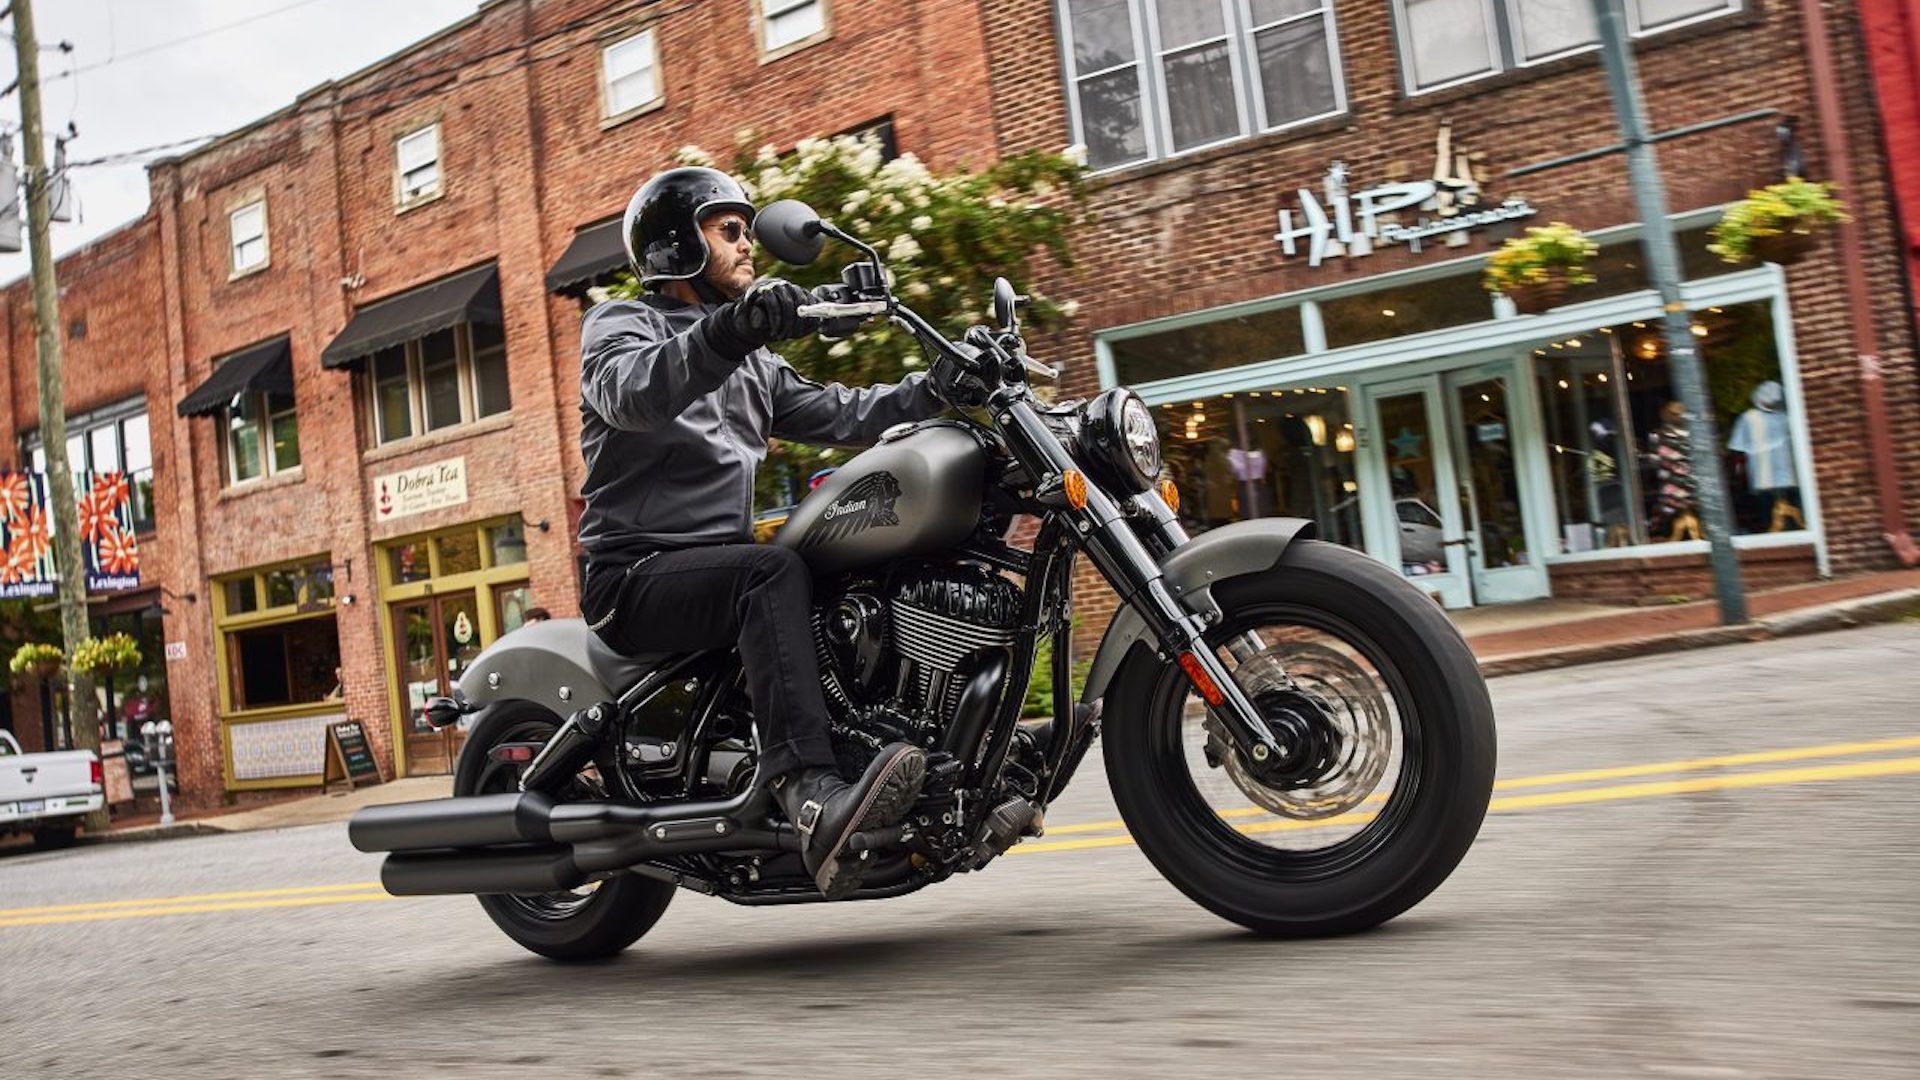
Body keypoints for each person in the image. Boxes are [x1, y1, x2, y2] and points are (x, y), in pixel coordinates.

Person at [576, 166, 947, 898]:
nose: (750, 247)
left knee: (844, 564)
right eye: (731, 231)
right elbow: (637, 395)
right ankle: (809, 794)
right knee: (770, 570)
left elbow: (844, 412)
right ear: (680, 244)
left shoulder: (753, 361)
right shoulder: (621, 325)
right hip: (634, 577)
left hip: (718, 571)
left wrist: (938, 387)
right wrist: (731, 330)